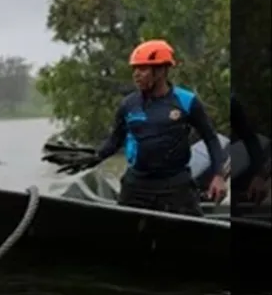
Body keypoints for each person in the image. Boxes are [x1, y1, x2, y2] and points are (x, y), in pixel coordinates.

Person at [70, 39, 227, 215]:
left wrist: (218, 176)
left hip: (175, 186)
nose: (136, 74)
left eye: (143, 69)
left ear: (161, 70)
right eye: (135, 69)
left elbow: (211, 139)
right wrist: (91, 158)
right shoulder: (128, 105)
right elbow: (114, 142)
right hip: (137, 186)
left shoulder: (187, 101)